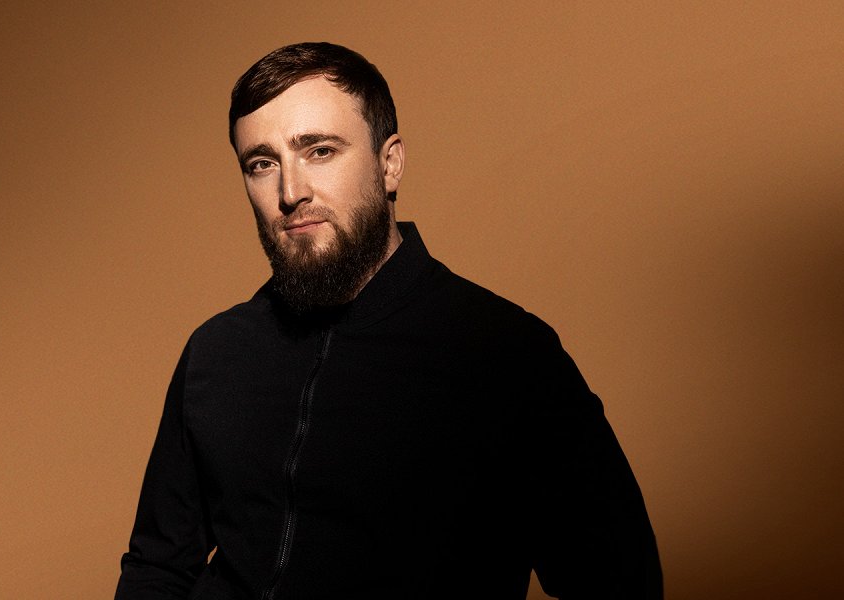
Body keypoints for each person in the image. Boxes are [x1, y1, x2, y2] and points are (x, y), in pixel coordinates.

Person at [115, 41, 662, 599]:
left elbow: (620, 582)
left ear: (389, 163)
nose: (290, 192)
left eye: (320, 151)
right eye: (262, 164)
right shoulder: (216, 352)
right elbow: (157, 566)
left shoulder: (508, 356)